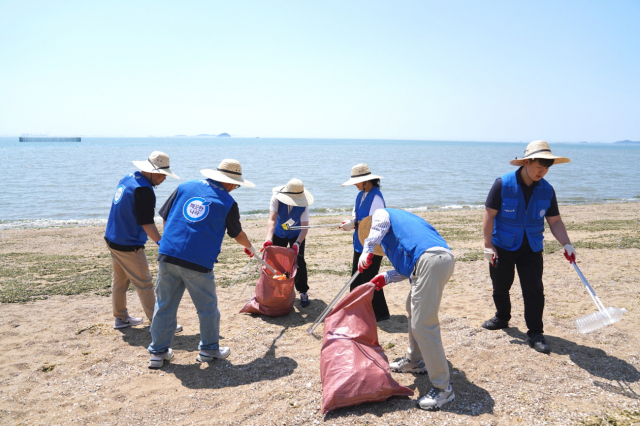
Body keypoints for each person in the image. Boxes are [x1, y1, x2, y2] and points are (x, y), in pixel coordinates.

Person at [147, 159, 257, 368]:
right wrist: (250, 247)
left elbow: (166, 217)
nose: (235, 188)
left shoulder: (185, 186)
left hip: (168, 254)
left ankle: (158, 353)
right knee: (207, 308)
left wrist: (168, 242)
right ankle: (209, 349)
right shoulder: (227, 202)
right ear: (230, 182)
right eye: (237, 184)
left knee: (164, 305)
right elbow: (237, 233)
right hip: (198, 260)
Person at [481, 140, 576, 354]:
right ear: (526, 162)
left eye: (547, 168)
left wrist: (567, 244)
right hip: (502, 246)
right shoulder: (502, 183)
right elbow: (489, 215)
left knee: (534, 290)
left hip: (532, 248)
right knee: (500, 285)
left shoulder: (547, 190)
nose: (543, 172)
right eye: (539, 167)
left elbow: (555, 221)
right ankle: (502, 317)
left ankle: (535, 332)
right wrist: (488, 246)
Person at [359, 208, 456, 411]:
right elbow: (409, 267)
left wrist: (367, 249)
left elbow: (380, 222)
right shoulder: (405, 231)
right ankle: (415, 361)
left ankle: (443, 389)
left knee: (423, 325)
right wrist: (385, 277)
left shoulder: (383, 214)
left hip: (432, 260)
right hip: (436, 259)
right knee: (412, 308)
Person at [104, 151, 180, 330]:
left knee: (120, 281)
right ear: (152, 171)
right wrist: (162, 243)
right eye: (162, 175)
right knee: (144, 284)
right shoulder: (144, 190)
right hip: (128, 243)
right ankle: (160, 324)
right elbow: (146, 222)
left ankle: (121, 318)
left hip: (112, 237)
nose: (164, 179)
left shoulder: (129, 178)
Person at [339, 163, 391, 322]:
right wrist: (351, 221)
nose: (354, 184)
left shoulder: (376, 197)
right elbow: (358, 216)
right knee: (356, 277)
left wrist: (354, 223)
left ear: (366, 181)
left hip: (373, 245)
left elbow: (374, 223)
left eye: (356, 182)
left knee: (370, 278)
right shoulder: (361, 194)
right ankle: (356, 309)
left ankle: (381, 313)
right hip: (359, 242)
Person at [263, 179, 314, 307]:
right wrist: (268, 238)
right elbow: (272, 220)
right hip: (279, 232)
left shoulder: (304, 204)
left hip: (296, 234)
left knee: (299, 261)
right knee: (276, 261)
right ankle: (278, 290)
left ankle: (303, 292)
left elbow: (304, 226)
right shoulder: (276, 198)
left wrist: (297, 243)